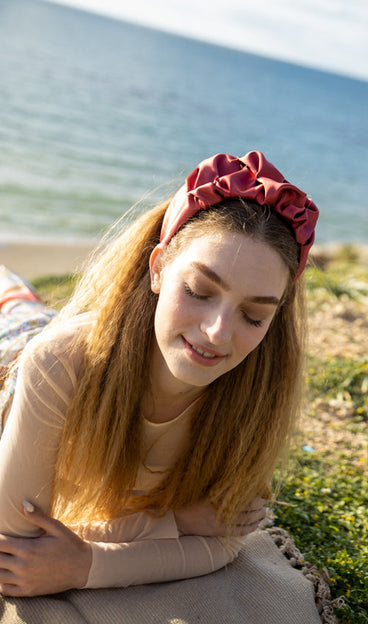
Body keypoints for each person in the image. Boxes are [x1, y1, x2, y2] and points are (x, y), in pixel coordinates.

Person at [0, 151, 318, 597]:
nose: (217, 333)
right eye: (198, 291)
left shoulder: (254, 398)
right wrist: (177, 522)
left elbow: (225, 541)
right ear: (158, 268)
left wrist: (86, 566)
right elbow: (16, 551)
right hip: (14, 350)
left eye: (253, 315)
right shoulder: (57, 362)